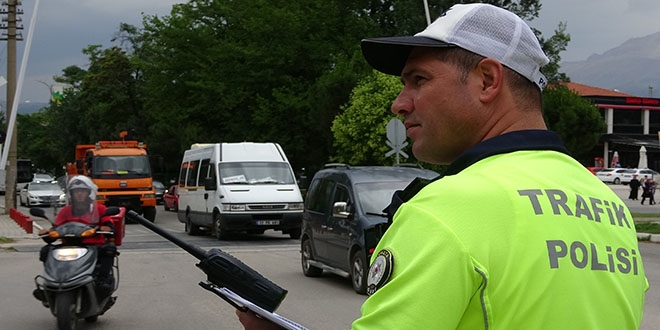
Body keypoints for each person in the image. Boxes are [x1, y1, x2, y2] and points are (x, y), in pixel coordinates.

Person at [236, 3, 648, 329]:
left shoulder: (446, 207)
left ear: (488, 80)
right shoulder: (603, 200)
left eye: (419, 80)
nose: (399, 103)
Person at [34, 175, 118, 301]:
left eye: (82, 191)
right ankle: (49, 285)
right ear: (71, 194)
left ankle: (102, 282)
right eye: (76, 191)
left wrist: (107, 228)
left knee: (109, 249)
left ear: (88, 193)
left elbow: (110, 226)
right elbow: (55, 229)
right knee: (46, 250)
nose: (79, 194)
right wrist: (47, 233)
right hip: (67, 245)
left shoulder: (98, 209)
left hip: (93, 245)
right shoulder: (65, 211)